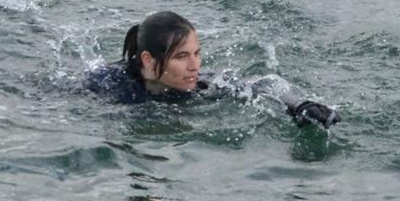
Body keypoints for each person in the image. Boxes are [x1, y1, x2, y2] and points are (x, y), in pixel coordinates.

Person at [82, 11, 338, 127]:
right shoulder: (108, 87)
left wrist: (298, 104)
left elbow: (262, 85)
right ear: (148, 60)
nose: (195, 66)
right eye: (181, 56)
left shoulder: (200, 84)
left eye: (197, 53)